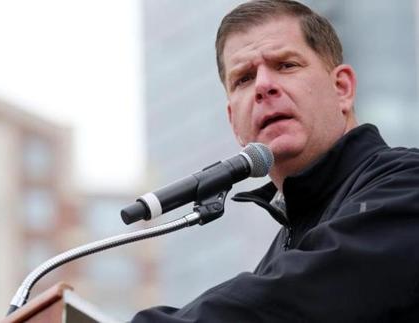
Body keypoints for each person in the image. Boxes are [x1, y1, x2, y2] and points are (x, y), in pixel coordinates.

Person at [131, 1, 419, 321]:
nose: (263, 86)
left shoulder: (407, 183)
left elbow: (294, 300)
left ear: (342, 89)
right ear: (233, 122)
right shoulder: (282, 249)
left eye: (286, 65)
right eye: (243, 79)